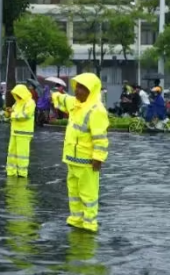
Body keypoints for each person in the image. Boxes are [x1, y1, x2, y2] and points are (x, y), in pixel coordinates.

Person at [51, 73, 109, 233]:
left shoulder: (97, 110)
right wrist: (53, 94)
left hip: (87, 161)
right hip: (71, 158)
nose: (77, 91)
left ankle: (90, 223)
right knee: (74, 192)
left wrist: (98, 158)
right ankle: (76, 219)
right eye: (77, 87)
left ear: (91, 90)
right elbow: (62, 99)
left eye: (82, 88)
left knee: (88, 194)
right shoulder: (75, 103)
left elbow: (100, 138)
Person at [5, 84, 36, 178]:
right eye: (15, 94)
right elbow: (12, 114)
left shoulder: (30, 103)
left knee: (22, 155)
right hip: (14, 132)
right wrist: (7, 112)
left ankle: (22, 174)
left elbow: (25, 115)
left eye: (18, 94)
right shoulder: (17, 103)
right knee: (11, 154)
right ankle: (11, 172)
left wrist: (12, 114)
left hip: (24, 133)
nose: (17, 96)